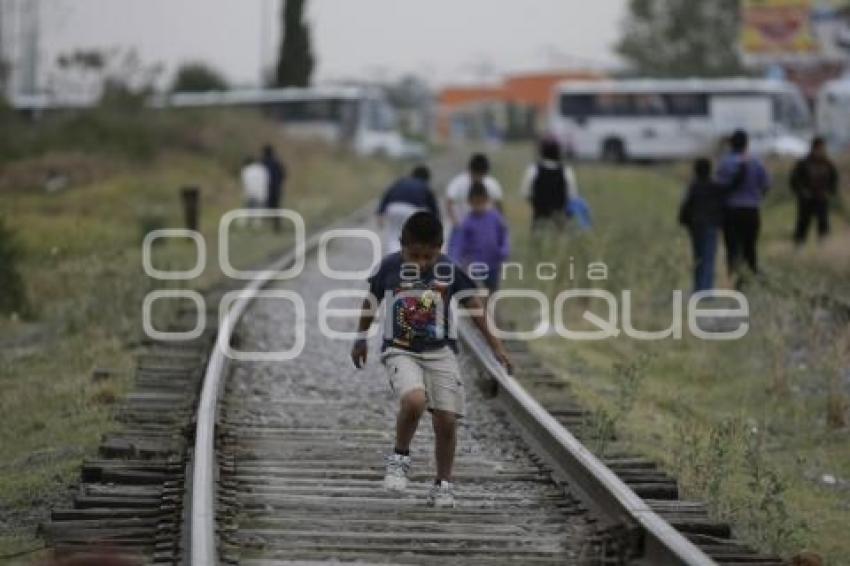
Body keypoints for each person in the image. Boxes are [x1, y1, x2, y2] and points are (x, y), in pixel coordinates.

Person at [351, 212, 513, 508]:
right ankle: (399, 458)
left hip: (440, 351)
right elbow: (370, 301)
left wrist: (497, 347)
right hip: (400, 348)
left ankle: (443, 484)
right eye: (415, 255)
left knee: (447, 420)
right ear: (402, 246)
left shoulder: (449, 270)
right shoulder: (389, 267)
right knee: (414, 400)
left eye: (429, 256)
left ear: (440, 248)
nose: (422, 263)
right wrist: (360, 337)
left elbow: (475, 307)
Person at [679, 158, 742, 292]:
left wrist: (684, 221)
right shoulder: (714, 186)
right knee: (708, 257)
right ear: (709, 170)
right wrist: (742, 169)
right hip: (710, 225)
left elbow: (686, 206)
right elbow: (732, 187)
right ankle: (706, 289)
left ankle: (698, 287)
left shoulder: (693, 186)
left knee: (698, 257)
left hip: (695, 226)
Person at [717, 130, 770, 284]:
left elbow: (719, 186)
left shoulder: (725, 163)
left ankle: (733, 277)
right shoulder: (756, 162)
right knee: (750, 245)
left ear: (731, 144)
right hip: (751, 210)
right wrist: (756, 197)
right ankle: (750, 277)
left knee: (732, 246)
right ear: (747, 143)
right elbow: (766, 185)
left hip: (731, 211)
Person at [453, 182, 510, 293]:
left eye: (481, 202)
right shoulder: (468, 222)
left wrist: (504, 250)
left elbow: (504, 236)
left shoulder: (496, 218)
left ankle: (492, 309)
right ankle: (481, 308)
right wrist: (458, 260)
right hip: (475, 265)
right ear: (469, 202)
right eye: (475, 203)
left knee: (493, 291)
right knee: (479, 291)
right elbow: (460, 244)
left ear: (487, 200)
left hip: (494, 263)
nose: (478, 205)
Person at [445, 154, 504, 260]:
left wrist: (497, 223)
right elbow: (449, 202)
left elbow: (499, 205)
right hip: (461, 226)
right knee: (454, 257)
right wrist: (455, 221)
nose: (478, 178)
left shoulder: (491, 184)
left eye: (481, 175)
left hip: (483, 227)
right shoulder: (459, 182)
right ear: (470, 171)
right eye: (475, 175)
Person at [376, 165, 440, 254]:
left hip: (393, 209)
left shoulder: (400, 181)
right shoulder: (424, 185)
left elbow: (386, 195)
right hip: (411, 211)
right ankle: (407, 258)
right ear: (426, 178)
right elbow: (433, 208)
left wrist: (380, 213)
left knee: (394, 236)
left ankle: (393, 257)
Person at [519, 138, 580, 230]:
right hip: (560, 218)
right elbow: (573, 195)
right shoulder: (567, 171)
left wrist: (535, 203)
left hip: (539, 216)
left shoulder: (533, 170)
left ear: (542, 151)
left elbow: (525, 193)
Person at [790, 137, 838, 245]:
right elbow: (795, 180)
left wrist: (829, 192)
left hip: (821, 198)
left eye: (822, 148)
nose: (821, 151)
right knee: (803, 222)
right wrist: (802, 192)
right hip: (806, 199)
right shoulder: (803, 164)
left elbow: (834, 179)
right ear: (813, 148)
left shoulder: (828, 164)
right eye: (819, 148)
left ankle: (823, 243)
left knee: (823, 221)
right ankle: (799, 243)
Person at [261, 144, 287, 232]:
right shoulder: (277, 162)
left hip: (265, 189)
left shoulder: (262, 163)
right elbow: (283, 174)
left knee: (265, 207)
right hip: (276, 188)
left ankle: (265, 227)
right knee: (276, 207)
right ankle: (276, 226)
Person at [240, 156, 269, 227]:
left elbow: (245, 182)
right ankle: (257, 223)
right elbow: (266, 180)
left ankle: (246, 223)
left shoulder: (246, 170)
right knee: (259, 208)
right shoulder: (262, 169)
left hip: (250, 191)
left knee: (249, 208)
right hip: (261, 191)